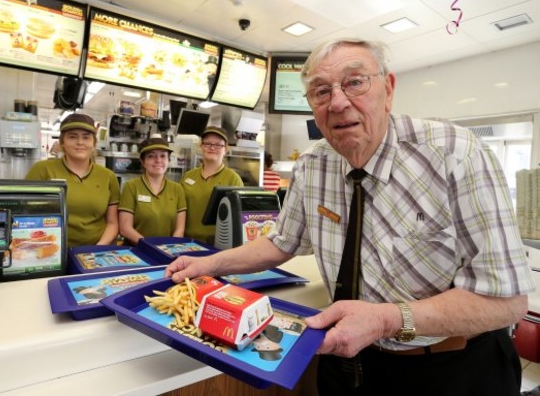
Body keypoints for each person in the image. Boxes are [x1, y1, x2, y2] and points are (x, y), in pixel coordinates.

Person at [165, 38, 535, 396]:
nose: (338, 102)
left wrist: (386, 319)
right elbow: (280, 243)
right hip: (349, 364)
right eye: (321, 91)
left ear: (388, 89)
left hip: (451, 366)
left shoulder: (455, 154)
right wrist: (208, 264)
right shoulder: (313, 164)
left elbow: (507, 302)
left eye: (355, 82)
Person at [26, 113, 119, 248]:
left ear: (94, 143)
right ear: (62, 142)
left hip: (95, 251)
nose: (80, 142)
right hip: (50, 250)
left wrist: (98, 248)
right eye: (72, 136)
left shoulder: (108, 177)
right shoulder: (43, 170)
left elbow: (112, 222)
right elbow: (25, 212)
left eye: (86, 137)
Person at [118, 136, 187, 245]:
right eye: (151, 156)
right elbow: (125, 228)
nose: (158, 160)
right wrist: (150, 247)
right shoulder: (131, 187)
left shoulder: (177, 189)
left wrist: (170, 248)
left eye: (163, 156)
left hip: (168, 250)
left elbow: (179, 230)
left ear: (168, 160)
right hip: (137, 251)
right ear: (143, 161)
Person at [181, 126, 243, 244]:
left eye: (218, 144)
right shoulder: (188, 176)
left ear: (226, 149)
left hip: (218, 243)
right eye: (208, 143)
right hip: (187, 242)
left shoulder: (233, 179)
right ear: (201, 146)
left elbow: (238, 218)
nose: (212, 147)